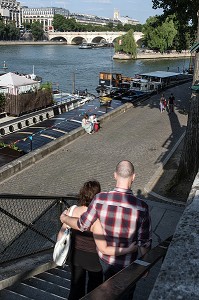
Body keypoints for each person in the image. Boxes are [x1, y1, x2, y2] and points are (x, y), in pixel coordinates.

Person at [60, 161, 152, 299]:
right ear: (133, 177)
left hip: (104, 263)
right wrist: (144, 265)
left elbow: (82, 225)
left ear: (115, 175)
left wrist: (65, 219)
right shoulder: (142, 207)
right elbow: (144, 242)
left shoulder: (100, 200)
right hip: (128, 264)